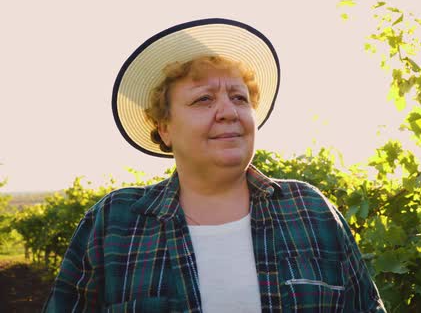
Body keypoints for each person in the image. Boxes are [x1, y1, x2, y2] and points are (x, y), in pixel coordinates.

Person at [44, 18, 385, 312]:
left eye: (239, 98)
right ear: (164, 127)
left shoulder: (311, 210)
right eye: (203, 99)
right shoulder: (114, 223)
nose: (229, 111)